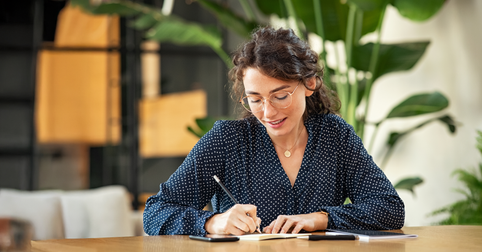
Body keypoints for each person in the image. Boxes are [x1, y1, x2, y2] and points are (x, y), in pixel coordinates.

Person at [143, 27, 404, 236]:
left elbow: (389, 208)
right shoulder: (227, 140)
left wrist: (321, 219)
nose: (268, 113)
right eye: (255, 99)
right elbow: (155, 213)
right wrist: (213, 222)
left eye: (280, 96)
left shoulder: (334, 136)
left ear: (309, 83)